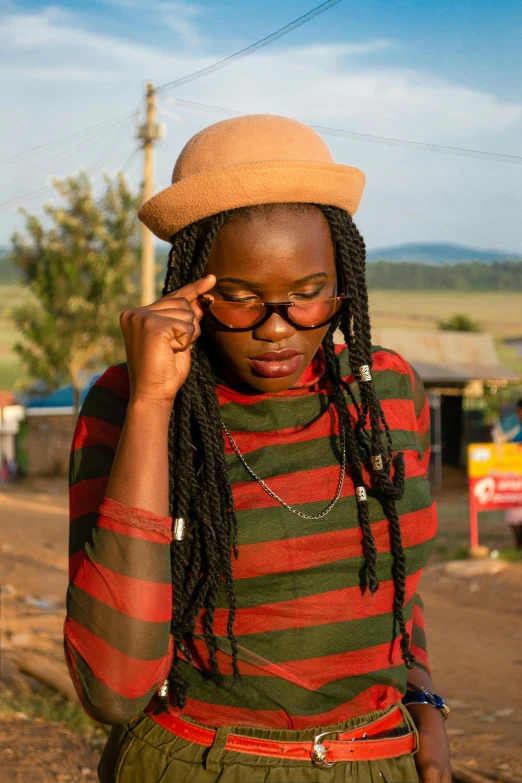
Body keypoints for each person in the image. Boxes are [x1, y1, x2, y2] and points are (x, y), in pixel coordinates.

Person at [64, 115, 451, 783]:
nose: (278, 329)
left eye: (308, 295)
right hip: (203, 763)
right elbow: (113, 686)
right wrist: (154, 404)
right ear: (190, 288)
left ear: (344, 280)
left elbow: (393, 579)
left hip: (379, 760)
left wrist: (423, 702)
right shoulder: (132, 401)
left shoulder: (383, 389)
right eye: (240, 300)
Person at [493, 399, 522, 547]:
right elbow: (496, 441)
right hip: (513, 473)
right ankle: (518, 544)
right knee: (513, 513)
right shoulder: (510, 423)